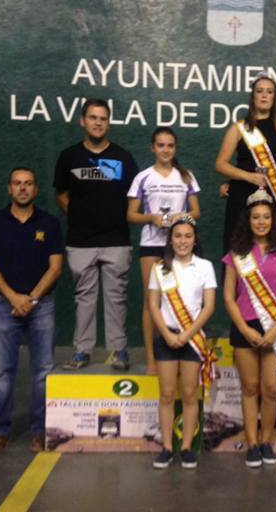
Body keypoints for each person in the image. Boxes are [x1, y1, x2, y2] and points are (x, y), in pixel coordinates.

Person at [0, 167, 64, 454]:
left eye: (28, 183)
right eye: (17, 183)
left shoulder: (49, 223)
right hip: (3, 304)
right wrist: (13, 297)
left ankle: (40, 431)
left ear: (36, 189)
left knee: (43, 371)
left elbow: (55, 267)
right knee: (3, 372)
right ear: (9, 189)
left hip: (42, 306)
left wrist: (31, 298)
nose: (23, 188)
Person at [55, 98, 139, 370]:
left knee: (116, 298)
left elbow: (134, 197)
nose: (98, 123)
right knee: (84, 298)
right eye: (93, 117)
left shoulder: (123, 157)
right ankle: (82, 351)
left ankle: (118, 350)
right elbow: (61, 194)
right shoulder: (69, 157)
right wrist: (79, 216)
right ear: (83, 121)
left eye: (103, 118)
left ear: (109, 123)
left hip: (116, 239)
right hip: (81, 241)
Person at [222, 190, 276, 468]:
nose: (261, 222)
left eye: (266, 217)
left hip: (275, 328)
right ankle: (252, 444)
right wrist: (245, 329)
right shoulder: (236, 254)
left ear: (273, 221)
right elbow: (228, 296)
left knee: (271, 388)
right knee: (250, 387)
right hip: (245, 326)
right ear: (248, 220)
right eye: (256, 217)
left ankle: (266, 441)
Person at [127, 127, 201, 375]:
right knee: (152, 301)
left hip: (179, 245)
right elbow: (131, 215)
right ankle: (151, 359)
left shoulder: (186, 176)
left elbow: (197, 212)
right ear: (152, 148)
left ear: (175, 148)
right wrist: (152, 218)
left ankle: (178, 356)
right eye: (161, 145)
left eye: (170, 145)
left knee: (180, 298)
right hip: (151, 244)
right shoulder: (143, 177)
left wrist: (181, 217)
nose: (165, 150)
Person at [147, 217, 216, 469]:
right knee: (166, 394)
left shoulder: (205, 266)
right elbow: (153, 305)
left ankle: (186, 448)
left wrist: (187, 335)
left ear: (195, 239)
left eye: (188, 236)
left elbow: (209, 307)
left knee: (189, 394)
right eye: (177, 236)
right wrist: (166, 334)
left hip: (193, 338)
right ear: (170, 239)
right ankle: (166, 447)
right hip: (166, 336)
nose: (182, 241)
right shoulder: (160, 267)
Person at [215, 76, 276, 261]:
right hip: (241, 196)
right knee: (238, 248)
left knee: (270, 250)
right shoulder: (239, 128)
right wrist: (248, 177)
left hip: (272, 195)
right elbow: (220, 164)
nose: (264, 95)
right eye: (259, 91)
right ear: (253, 96)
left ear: (274, 97)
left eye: (269, 92)